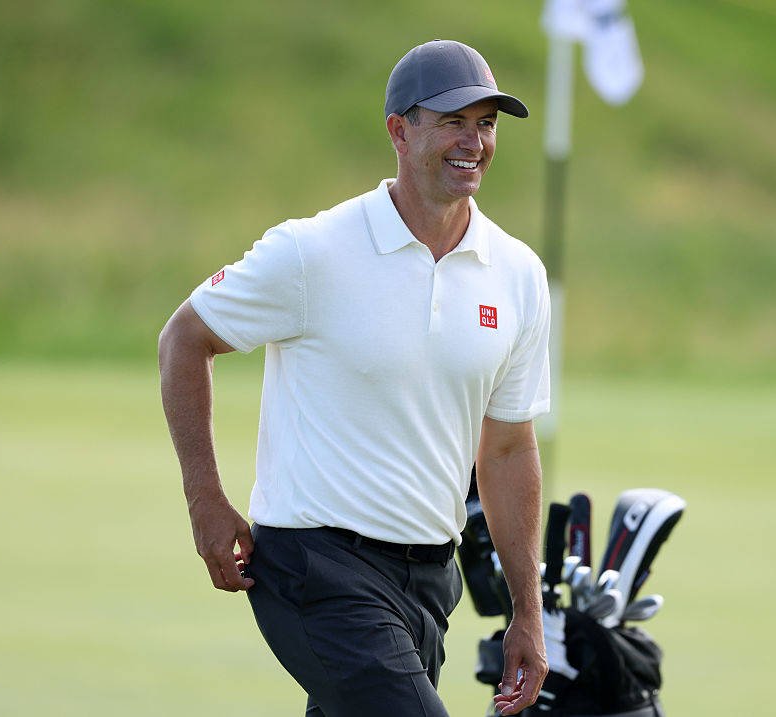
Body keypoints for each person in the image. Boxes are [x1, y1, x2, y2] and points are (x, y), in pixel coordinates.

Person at [158, 39, 551, 716]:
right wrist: (205, 497)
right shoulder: (313, 252)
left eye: (486, 123)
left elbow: (509, 448)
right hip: (315, 566)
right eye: (453, 121)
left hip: (430, 578)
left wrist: (528, 612)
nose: (475, 141)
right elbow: (184, 339)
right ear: (400, 130)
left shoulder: (517, 275)